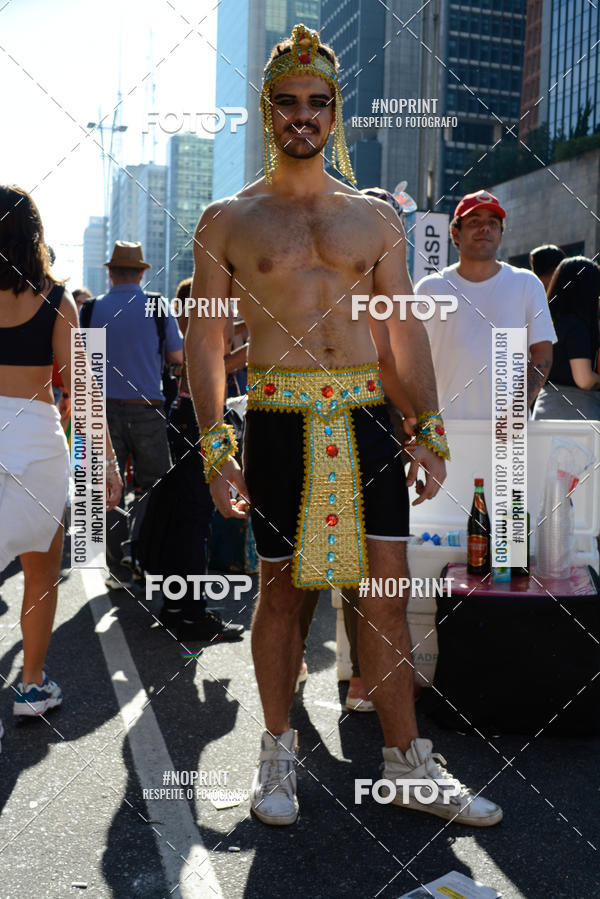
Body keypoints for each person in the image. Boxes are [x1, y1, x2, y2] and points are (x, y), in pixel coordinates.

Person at [187, 24, 503, 827]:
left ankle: (406, 763)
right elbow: (205, 343)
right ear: (269, 110)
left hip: (366, 418)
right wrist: (217, 448)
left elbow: (401, 332)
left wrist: (427, 428)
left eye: (318, 101)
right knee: (280, 595)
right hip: (277, 419)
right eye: (288, 101)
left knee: (384, 594)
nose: (304, 114)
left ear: (335, 113)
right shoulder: (226, 219)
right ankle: (276, 753)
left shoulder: (376, 219)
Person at [0, 184, 122, 730]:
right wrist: (107, 465)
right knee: (41, 572)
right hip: (37, 443)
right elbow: (84, 391)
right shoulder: (58, 299)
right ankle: (31, 684)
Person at [149, 276, 244, 641]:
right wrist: (259, 346)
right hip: (199, 420)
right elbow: (219, 362)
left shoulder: (189, 321)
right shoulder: (206, 322)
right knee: (195, 520)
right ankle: (192, 614)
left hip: (184, 416)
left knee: (183, 518)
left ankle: (176, 607)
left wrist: (251, 327)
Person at [84, 241, 183, 586]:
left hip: (102, 411)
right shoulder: (157, 306)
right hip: (147, 408)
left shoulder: (91, 309)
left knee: (106, 486)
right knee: (154, 485)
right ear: (142, 274)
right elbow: (177, 356)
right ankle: (140, 551)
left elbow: (81, 362)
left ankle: (118, 568)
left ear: (110, 273)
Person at [415, 190, 556, 418]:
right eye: (474, 221)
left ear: (501, 234)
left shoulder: (526, 284)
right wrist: (423, 415)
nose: (485, 228)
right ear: (455, 233)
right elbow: (412, 358)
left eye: (493, 223)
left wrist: (514, 411)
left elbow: (542, 354)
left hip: (508, 432)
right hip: (446, 427)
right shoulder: (429, 289)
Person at [533, 257, 600, 420]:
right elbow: (584, 379)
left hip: (543, 409)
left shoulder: (546, 323)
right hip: (576, 415)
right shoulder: (576, 327)